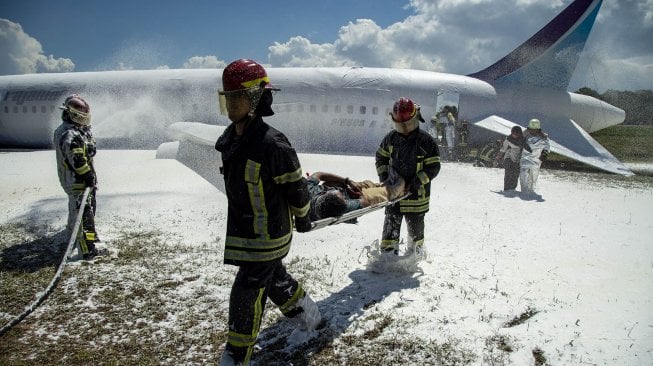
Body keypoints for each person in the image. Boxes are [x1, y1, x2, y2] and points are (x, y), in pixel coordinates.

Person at [214, 59, 321, 366]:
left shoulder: (272, 144)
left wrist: (304, 218)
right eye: (229, 98)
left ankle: (236, 356)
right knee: (273, 278)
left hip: (266, 235)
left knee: (246, 292)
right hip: (245, 232)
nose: (232, 104)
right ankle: (309, 315)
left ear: (258, 99)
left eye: (239, 97)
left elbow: (296, 189)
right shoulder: (231, 139)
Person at [375, 97, 441, 258]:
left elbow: (434, 167)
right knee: (391, 226)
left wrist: (417, 181)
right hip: (394, 195)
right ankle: (388, 257)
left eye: (407, 124)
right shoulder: (390, 139)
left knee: (416, 231)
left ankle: (416, 256)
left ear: (415, 118)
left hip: (417, 198)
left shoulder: (426, 142)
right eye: (400, 125)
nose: (404, 128)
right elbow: (381, 158)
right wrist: (384, 177)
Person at [53, 94, 99, 259]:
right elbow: (77, 159)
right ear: (71, 115)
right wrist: (87, 175)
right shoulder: (70, 135)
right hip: (77, 181)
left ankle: (91, 239)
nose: (84, 121)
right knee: (83, 215)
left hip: (80, 181)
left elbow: (88, 151)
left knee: (87, 211)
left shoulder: (73, 131)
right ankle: (87, 249)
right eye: (80, 117)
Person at [306, 171, 406, 221]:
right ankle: (395, 190)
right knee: (373, 196)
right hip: (351, 202)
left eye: (339, 193)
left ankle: (379, 185)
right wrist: (359, 196)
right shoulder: (346, 206)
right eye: (343, 198)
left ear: (324, 193)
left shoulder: (308, 190)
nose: (342, 196)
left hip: (342, 192)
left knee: (362, 185)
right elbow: (366, 202)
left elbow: (319, 175)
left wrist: (348, 181)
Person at [519, 118, 550, 197]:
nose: (533, 131)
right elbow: (517, 141)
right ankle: (524, 190)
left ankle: (531, 189)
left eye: (535, 129)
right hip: (525, 158)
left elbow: (547, 146)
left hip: (536, 159)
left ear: (538, 129)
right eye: (531, 129)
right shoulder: (525, 134)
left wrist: (545, 153)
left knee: (534, 175)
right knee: (523, 174)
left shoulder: (543, 137)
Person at [495, 126, 524, 193]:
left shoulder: (523, 139)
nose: (515, 135)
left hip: (517, 159)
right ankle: (507, 189)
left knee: (515, 174)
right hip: (509, 157)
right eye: (514, 134)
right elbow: (503, 150)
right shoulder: (508, 139)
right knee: (508, 173)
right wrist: (497, 158)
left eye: (517, 134)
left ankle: (512, 189)